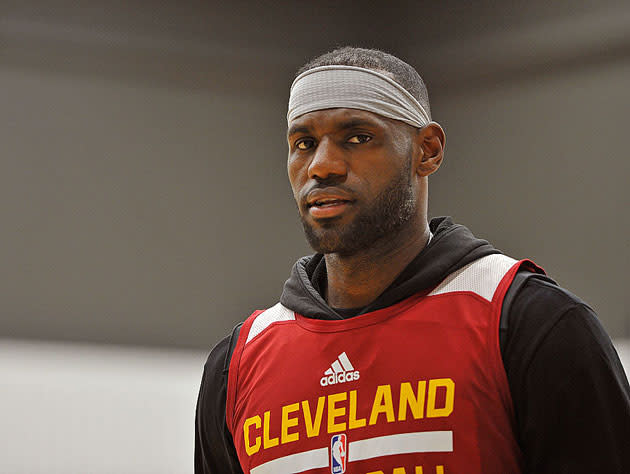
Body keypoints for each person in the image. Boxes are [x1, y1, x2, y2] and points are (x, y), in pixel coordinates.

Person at [194, 47, 630, 474]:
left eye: (357, 138)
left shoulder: (532, 323)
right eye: (304, 143)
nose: (322, 165)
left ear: (428, 150)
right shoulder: (235, 365)